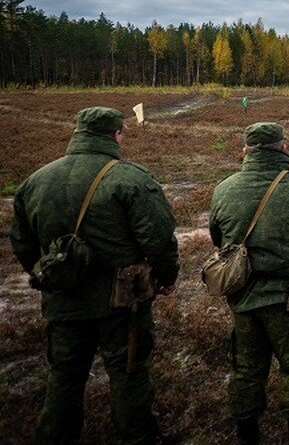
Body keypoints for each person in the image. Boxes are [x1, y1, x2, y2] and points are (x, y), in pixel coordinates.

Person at [11, 106, 180, 444]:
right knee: (129, 373)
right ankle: (138, 437)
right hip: (122, 304)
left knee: (64, 377)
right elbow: (159, 239)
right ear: (116, 134)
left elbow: (22, 244)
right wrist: (165, 277)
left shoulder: (35, 181)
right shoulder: (131, 178)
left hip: (64, 303)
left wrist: (52, 276)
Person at [209, 122, 289, 445]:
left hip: (243, 296)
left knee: (246, 369)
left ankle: (247, 434)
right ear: (284, 147)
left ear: (246, 151)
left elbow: (218, 239)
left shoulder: (224, 189)